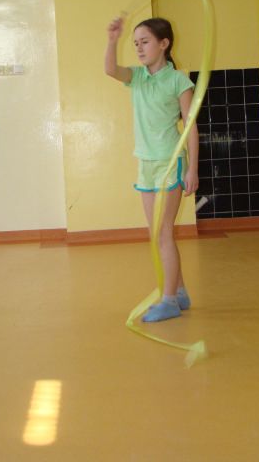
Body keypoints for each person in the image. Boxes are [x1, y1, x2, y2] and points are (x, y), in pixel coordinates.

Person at [105, 16, 199, 322]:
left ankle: (169, 300)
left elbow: (190, 127)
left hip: (171, 161)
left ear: (164, 43)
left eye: (145, 42)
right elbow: (110, 69)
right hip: (146, 163)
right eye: (135, 43)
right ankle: (180, 292)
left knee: (163, 233)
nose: (139, 48)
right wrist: (112, 40)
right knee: (156, 233)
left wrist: (193, 170)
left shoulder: (179, 81)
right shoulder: (137, 77)